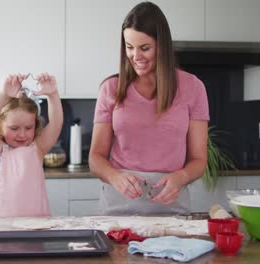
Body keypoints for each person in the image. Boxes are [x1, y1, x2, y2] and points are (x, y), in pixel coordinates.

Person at [89, 2, 209, 215]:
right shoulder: (111, 89)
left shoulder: (193, 88)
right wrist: (116, 177)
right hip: (117, 209)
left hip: (171, 210)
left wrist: (180, 177)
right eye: (129, 47)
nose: (136, 56)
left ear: (162, 46)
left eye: (145, 48)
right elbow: (96, 158)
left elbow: (199, 160)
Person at [0, 73, 63, 217]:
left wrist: (53, 95)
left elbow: (56, 124)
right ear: (0, 125)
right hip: (2, 227)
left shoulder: (38, 148)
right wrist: (2, 94)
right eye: (14, 128)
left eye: (29, 128)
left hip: (38, 225)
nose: (22, 134)